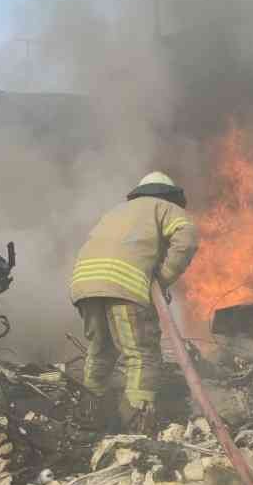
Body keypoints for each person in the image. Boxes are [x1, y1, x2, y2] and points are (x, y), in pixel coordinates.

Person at [70, 172, 199, 432]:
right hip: (124, 284)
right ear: (170, 195)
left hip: (85, 283)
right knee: (141, 354)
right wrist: (163, 277)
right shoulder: (167, 208)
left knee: (100, 350)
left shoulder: (117, 212)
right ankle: (137, 427)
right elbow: (186, 239)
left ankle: (89, 417)